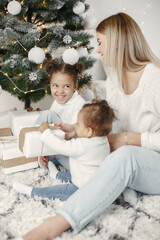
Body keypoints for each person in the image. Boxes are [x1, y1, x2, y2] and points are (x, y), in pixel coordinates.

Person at [13, 12, 160, 240]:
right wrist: (77, 130)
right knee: (77, 146)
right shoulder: (114, 77)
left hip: (149, 161)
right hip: (120, 154)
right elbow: (108, 125)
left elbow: (126, 140)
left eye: (100, 42)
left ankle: (56, 224)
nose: (98, 50)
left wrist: (129, 138)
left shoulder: (156, 79)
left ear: (118, 42)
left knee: (126, 156)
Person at [13, 99, 115, 201]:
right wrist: (72, 129)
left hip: (85, 189)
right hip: (94, 181)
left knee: (59, 191)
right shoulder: (102, 141)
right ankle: (57, 174)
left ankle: (32, 191)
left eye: (78, 125)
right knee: (76, 175)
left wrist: (46, 132)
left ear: (88, 131)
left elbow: (61, 146)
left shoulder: (83, 145)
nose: (76, 127)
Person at [35, 60, 86, 169]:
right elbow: (51, 126)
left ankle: (51, 157)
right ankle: (40, 150)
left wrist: (52, 143)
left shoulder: (79, 104)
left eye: (66, 86)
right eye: (55, 86)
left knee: (76, 169)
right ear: (50, 85)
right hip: (59, 142)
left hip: (72, 149)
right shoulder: (57, 102)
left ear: (75, 87)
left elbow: (73, 134)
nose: (60, 91)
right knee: (46, 115)